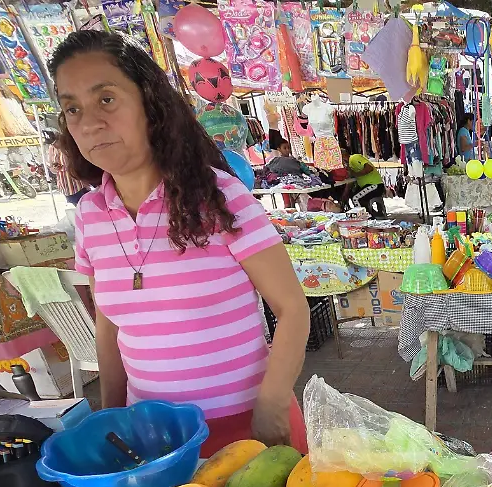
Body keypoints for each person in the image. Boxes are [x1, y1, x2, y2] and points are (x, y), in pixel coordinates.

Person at [50, 30, 311, 456]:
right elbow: (110, 329)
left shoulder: (218, 197)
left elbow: (292, 307)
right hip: (152, 440)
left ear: (150, 106)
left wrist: (273, 401)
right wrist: (111, 420)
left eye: (107, 100)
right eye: (72, 108)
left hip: (247, 428)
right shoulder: (90, 215)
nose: (90, 121)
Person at [44, 130, 90, 205]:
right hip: (66, 187)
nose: (54, 145)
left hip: (79, 186)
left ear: (60, 138)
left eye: (55, 142)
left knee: (88, 208)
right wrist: (55, 169)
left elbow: (81, 164)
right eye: (51, 143)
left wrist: (86, 182)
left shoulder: (71, 146)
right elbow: (51, 168)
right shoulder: (51, 148)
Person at [342, 153, 387, 217]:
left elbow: (369, 168)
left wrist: (356, 174)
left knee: (355, 198)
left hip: (375, 185)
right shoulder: (350, 164)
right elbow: (350, 180)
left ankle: (363, 217)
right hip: (370, 185)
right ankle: (369, 215)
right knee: (355, 195)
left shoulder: (354, 158)